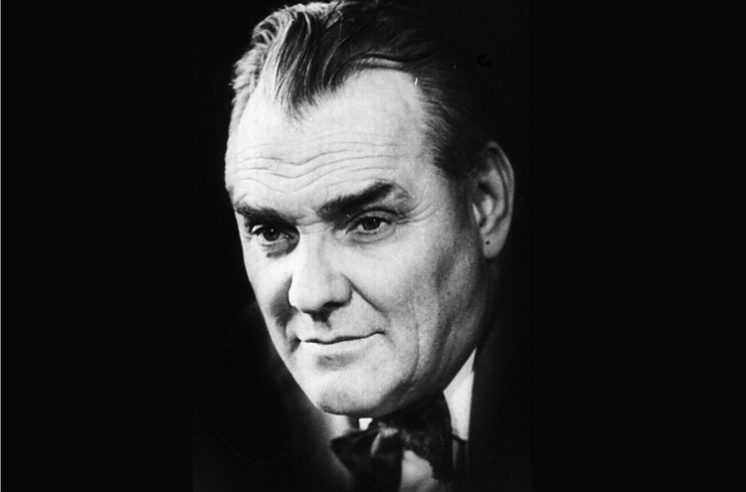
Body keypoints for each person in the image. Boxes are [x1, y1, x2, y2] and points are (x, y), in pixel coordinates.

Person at [194, 1, 530, 490]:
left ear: (485, 203)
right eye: (270, 231)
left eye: (369, 223)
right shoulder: (222, 405)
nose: (310, 295)